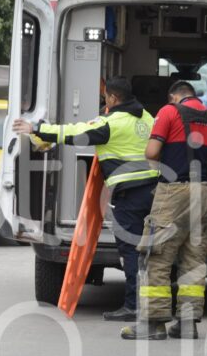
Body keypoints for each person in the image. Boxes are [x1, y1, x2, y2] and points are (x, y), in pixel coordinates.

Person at [13, 77, 158, 321]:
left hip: (128, 194)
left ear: (112, 98)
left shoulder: (110, 123)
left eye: (106, 98)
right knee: (151, 250)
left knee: (130, 250)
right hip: (152, 190)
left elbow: (75, 132)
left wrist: (37, 130)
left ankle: (134, 306)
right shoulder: (147, 118)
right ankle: (153, 304)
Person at [122, 80, 207, 340]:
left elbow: (152, 151)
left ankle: (153, 324)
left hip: (174, 192)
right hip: (204, 192)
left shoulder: (169, 112)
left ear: (174, 97)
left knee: (156, 256)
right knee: (194, 259)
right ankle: (187, 324)